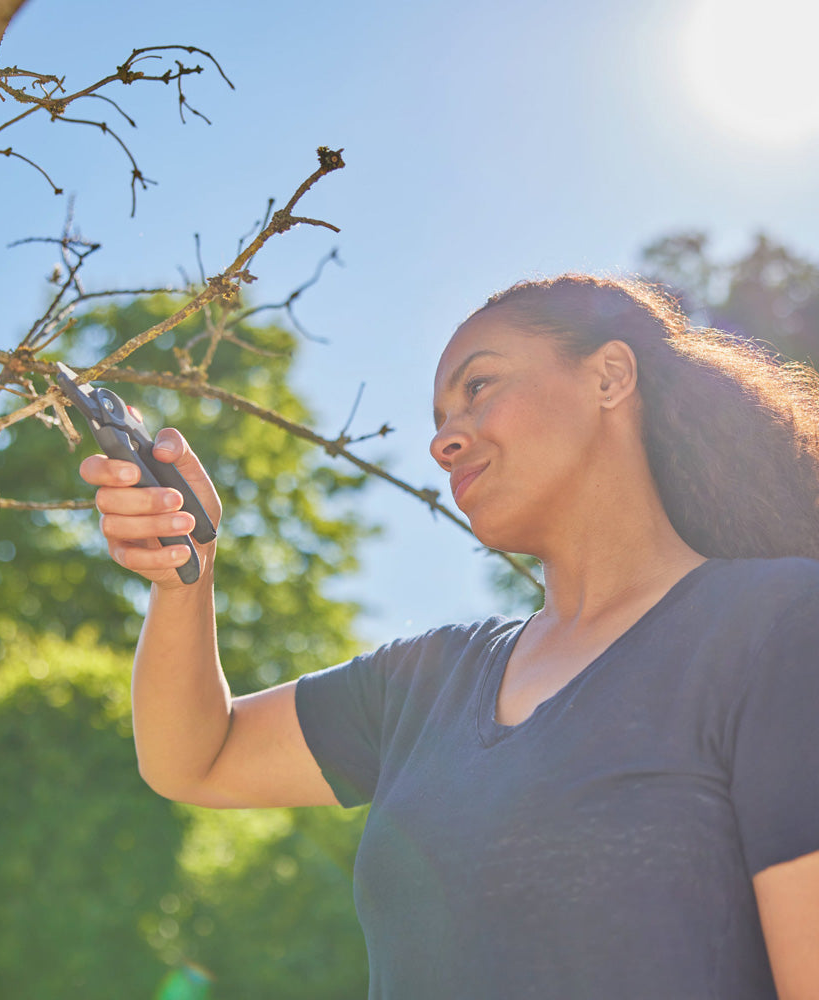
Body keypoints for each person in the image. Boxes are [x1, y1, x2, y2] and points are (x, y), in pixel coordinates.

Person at [80, 274, 819, 999]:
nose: (443, 441)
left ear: (610, 377)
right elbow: (195, 759)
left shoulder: (778, 626)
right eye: (437, 417)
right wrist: (187, 574)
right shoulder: (428, 680)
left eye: (478, 387)